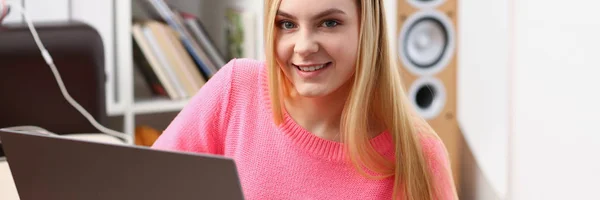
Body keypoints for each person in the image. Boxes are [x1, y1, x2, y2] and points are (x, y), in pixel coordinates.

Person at [151, 0, 458, 199]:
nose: (304, 46)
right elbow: (147, 185)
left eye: (329, 23)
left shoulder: (417, 155)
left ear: (368, 29)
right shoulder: (235, 89)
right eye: (287, 24)